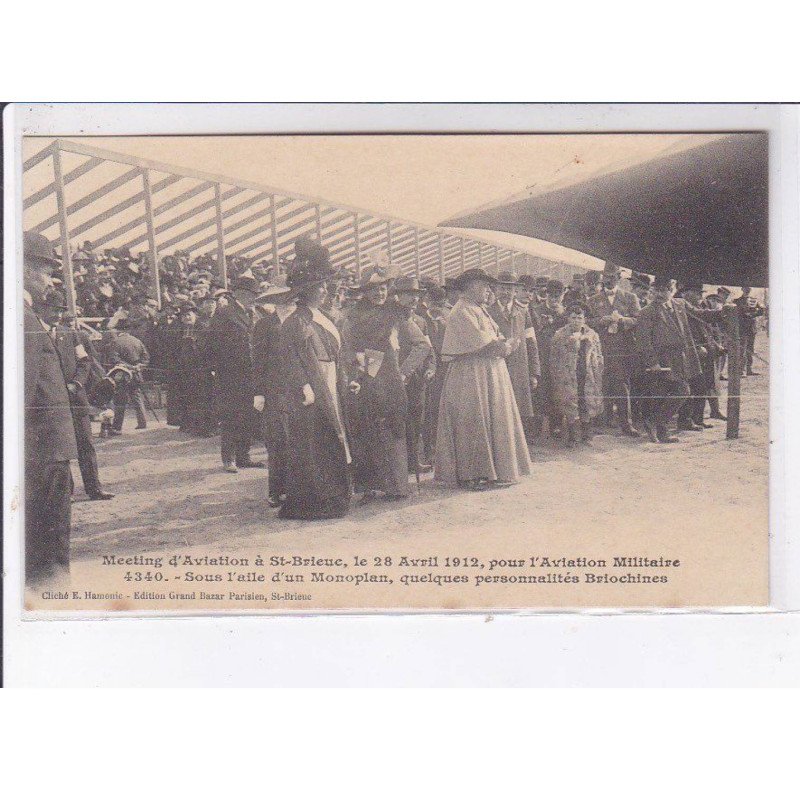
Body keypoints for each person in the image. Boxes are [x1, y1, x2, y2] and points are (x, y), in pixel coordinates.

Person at [434, 268, 531, 491]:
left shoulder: (478, 308)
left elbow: (494, 337)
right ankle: (472, 473)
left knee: (488, 418)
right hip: (471, 373)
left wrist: (503, 344)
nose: (488, 290)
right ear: (470, 287)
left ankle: (491, 470)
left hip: (486, 371)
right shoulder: (462, 311)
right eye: (484, 286)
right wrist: (506, 346)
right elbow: (484, 343)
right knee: (473, 420)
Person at [342, 260, 430, 501]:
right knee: (365, 431)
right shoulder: (353, 317)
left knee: (393, 431)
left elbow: (423, 345)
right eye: (373, 289)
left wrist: (404, 372)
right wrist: (357, 367)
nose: (379, 293)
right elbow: (346, 349)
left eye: (382, 288)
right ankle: (369, 486)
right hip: (363, 380)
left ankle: (396, 486)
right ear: (365, 292)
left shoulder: (396, 314)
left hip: (390, 381)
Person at [277, 239, 352, 519]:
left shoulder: (322, 316)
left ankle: (334, 493)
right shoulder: (295, 321)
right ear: (306, 291)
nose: (324, 290)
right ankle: (315, 499)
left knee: (331, 437)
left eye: (324, 285)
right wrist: (303, 385)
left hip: (329, 379)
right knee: (314, 441)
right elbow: (289, 358)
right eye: (319, 286)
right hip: (312, 384)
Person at [23, 232, 79, 585]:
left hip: (42, 451)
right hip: (43, 452)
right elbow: (22, 392)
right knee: (48, 550)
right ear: (24, 268)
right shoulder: (23, 317)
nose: (50, 280)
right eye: (46, 271)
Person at [41, 291, 114, 501]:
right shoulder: (35, 335)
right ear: (43, 310)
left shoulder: (70, 335)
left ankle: (94, 489)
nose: (57, 315)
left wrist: (77, 383)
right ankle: (67, 493)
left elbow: (84, 361)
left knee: (86, 445)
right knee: (60, 449)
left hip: (76, 399)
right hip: (52, 401)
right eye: (54, 310)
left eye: (60, 311)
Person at [635, 276, 723, 443]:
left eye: (663, 290)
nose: (659, 294)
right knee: (679, 391)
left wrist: (724, 313)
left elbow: (700, 314)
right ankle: (655, 423)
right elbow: (643, 341)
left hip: (683, 358)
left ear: (671, 290)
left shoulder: (680, 304)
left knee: (680, 392)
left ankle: (659, 428)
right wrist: (653, 362)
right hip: (663, 360)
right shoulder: (647, 312)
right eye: (656, 290)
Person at [205, 277, 265, 473]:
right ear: (240, 293)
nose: (254, 299)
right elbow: (212, 344)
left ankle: (243, 456)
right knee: (231, 417)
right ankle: (228, 459)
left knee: (248, 415)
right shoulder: (224, 314)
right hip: (230, 375)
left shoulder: (252, 313)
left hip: (249, 373)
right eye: (252, 295)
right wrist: (219, 369)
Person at [252, 282, 296, 507]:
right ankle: (276, 490)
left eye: (289, 297)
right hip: (275, 389)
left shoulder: (302, 321)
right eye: (281, 298)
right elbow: (258, 360)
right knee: (278, 439)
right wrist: (259, 392)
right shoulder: (264, 325)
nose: (286, 302)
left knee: (298, 439)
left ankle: (297, 488)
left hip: (300, 388)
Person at [586, 260, 641, 436]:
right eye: (605, 277)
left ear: (618, 277)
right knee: (601, 384)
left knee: (622, 385)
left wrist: (622, 320)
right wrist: (600, 321)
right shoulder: (593, 300)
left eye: (611, 277)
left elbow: (638, 320)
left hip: (622, 349)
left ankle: (626, 424)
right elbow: (586, 322)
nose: (608, 280)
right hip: (600, 349)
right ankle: (602, 421)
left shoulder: (630, 298)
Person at [487, 271, 541, 443]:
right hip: (496, 367)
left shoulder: (523, 313)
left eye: (509, 289)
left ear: (515, 291)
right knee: (498, 407)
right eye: (502, 288)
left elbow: (531, 343)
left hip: (519, 369)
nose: (506, 292)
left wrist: (534, 372)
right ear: (495, 289)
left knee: (519, 407)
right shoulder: (487, 312)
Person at [394, 276, 435, 475]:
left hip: (417, 380)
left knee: (416, 421)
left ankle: (413, 461)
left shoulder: (420, 321)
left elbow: (429, 349)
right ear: (398, 296)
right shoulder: (394, 319)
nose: (414, 299)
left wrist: (431, 367)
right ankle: (400, 464)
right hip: (397, 377)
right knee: (399, 421)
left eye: (416, 295)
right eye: (409, 295)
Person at [549, 301, 605, 446]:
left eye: (580, 318)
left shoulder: (592, 334)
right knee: (570, 403)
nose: (576, 321)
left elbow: (598, 355)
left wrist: (598, 371)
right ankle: (573, 437)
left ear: (584, 319)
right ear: (568, 318)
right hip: (568, 374)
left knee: (586, 402)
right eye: (573, 318)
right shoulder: (560, 335)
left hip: (587, 374)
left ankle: (587, 435)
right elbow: (554, 357)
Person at [529, 279, 568, 439]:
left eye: (557, 296)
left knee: (557, 390)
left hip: (560, 358)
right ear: (546, 295)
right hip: (542, 356)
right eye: (551, 296)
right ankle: (537, 426)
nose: (554, 299)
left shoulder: (566, 313)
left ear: (563, 295)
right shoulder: (536, 311)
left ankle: (556, 425)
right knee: (540, 390)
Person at [421, 284, 450, 464]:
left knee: (439, 410)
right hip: (431, 371)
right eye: (435, 304)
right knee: (431, 411)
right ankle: (430, 450)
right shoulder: (422, 319)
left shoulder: (446, 319)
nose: (438, 308)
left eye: (441, 304)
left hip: (443, 370)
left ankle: (438, 450)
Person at [106, 318, 150, 433]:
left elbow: (114, 359)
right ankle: (142, 422)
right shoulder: (137, 341)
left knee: (120, 401)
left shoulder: (115, 342)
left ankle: (117, 427)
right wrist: (139, 366)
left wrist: (128, 367)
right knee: (137, 398)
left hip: (122, 375)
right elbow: (146, 358)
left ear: (118, 330)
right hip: (136, 374)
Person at [734, 286, 765, 376]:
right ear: (742, 290)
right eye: (745, 289)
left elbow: (762, 311)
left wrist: (752, 315)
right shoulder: (737, 301)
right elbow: (734, 313)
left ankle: (749, 369)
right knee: (742, 349)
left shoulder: (754, 300)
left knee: (750, 349)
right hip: (742, 328)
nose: (747, 290)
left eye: (749, 289)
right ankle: (742, 370)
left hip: (751, 328)